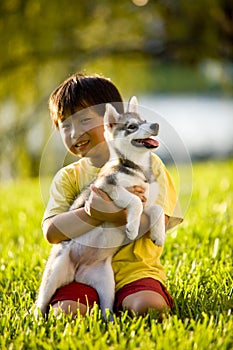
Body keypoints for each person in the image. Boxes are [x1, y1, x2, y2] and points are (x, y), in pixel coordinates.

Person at [42, 73, 183, 317]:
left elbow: (158, 225)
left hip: (136, 269)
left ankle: (124, 301)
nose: (75, 132)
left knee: (149, 308)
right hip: (81, 270)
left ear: (111, 122)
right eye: (65, 125)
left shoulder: (152, 166)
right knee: (65, 314)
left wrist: (112, 212)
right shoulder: (68, 177)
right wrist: (90, 213)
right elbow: (52, 232)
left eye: (85, 119)